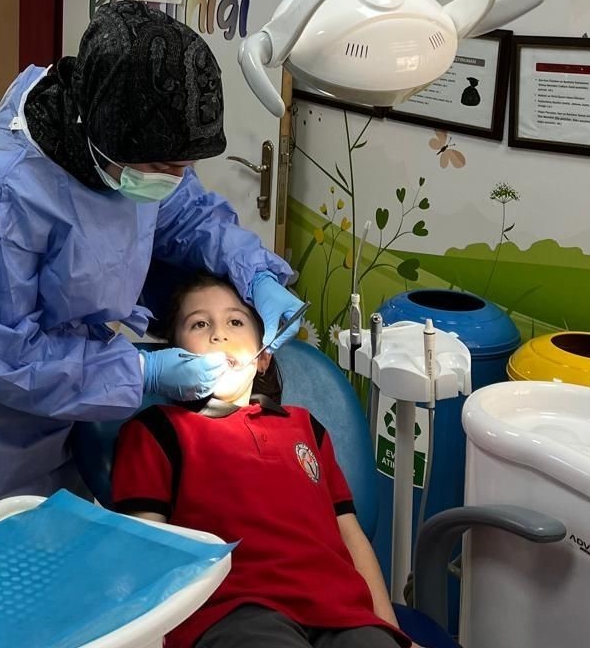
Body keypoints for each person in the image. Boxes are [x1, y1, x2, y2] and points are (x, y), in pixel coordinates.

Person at [0, 0, 302, 539]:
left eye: (183, 165)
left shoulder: (134, 148)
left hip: (65, 405)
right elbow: (5, 355)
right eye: (163, 167)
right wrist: (142, 373)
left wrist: (256, 273)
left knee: (53, 557)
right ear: (102, 130)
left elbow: (188, 214)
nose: (174, 177)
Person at [111, 273, 415, 648]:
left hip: (344, 614)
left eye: (235, 321)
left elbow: (351, 536)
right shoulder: (158, 431)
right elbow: (141, 550)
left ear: (264, 356)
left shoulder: (306, 428)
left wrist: (392, 631)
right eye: (199, 324)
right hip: (233, 611)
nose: (219, 335)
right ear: (173, 354)